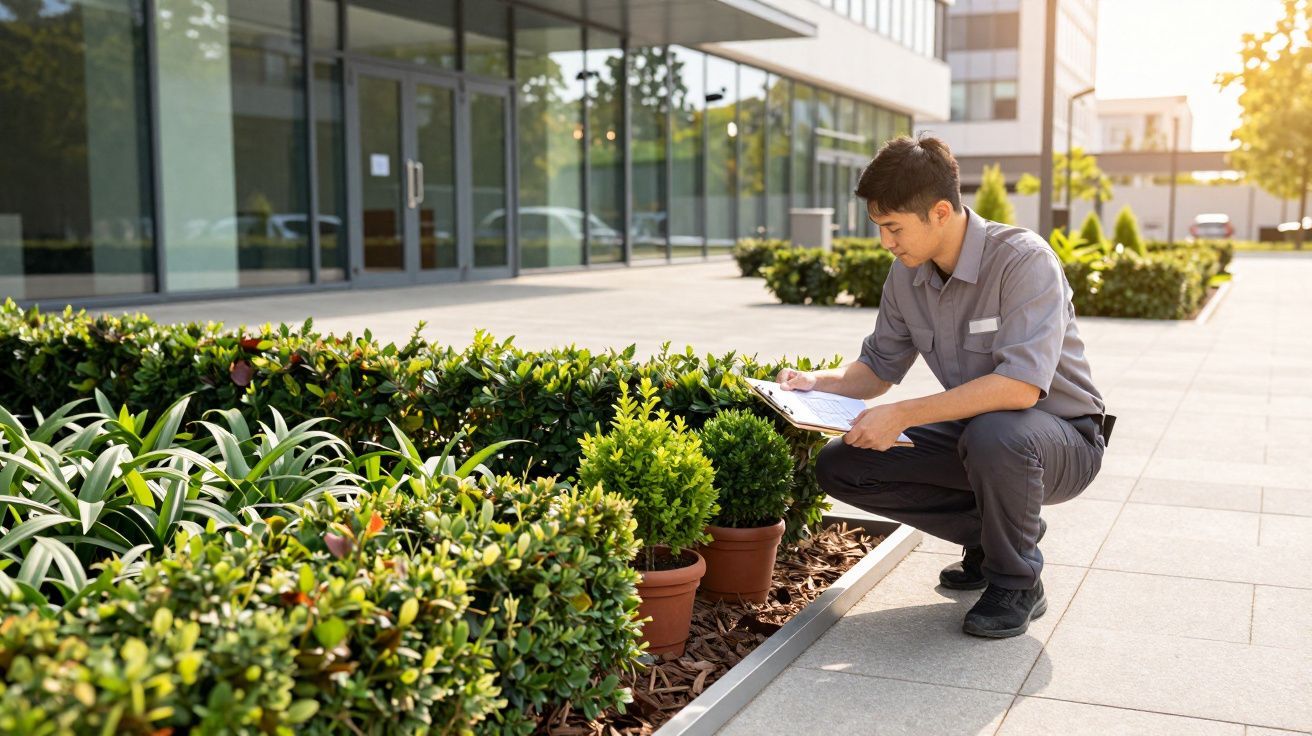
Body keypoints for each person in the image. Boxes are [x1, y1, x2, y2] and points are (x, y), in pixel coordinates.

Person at [776, 134, 1111, 639]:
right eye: (880, 228)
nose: (886, 242)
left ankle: (1018, 580)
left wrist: (905, 414)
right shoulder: (905, 276)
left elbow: (1020, 389)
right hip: (982, 435)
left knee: (997, 434)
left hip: (1063, 441)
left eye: (894, 227)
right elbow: (877, 369)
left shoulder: (1024, 261)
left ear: (938, 211)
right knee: (843, 464)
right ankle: (994, 538)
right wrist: (815, 383)